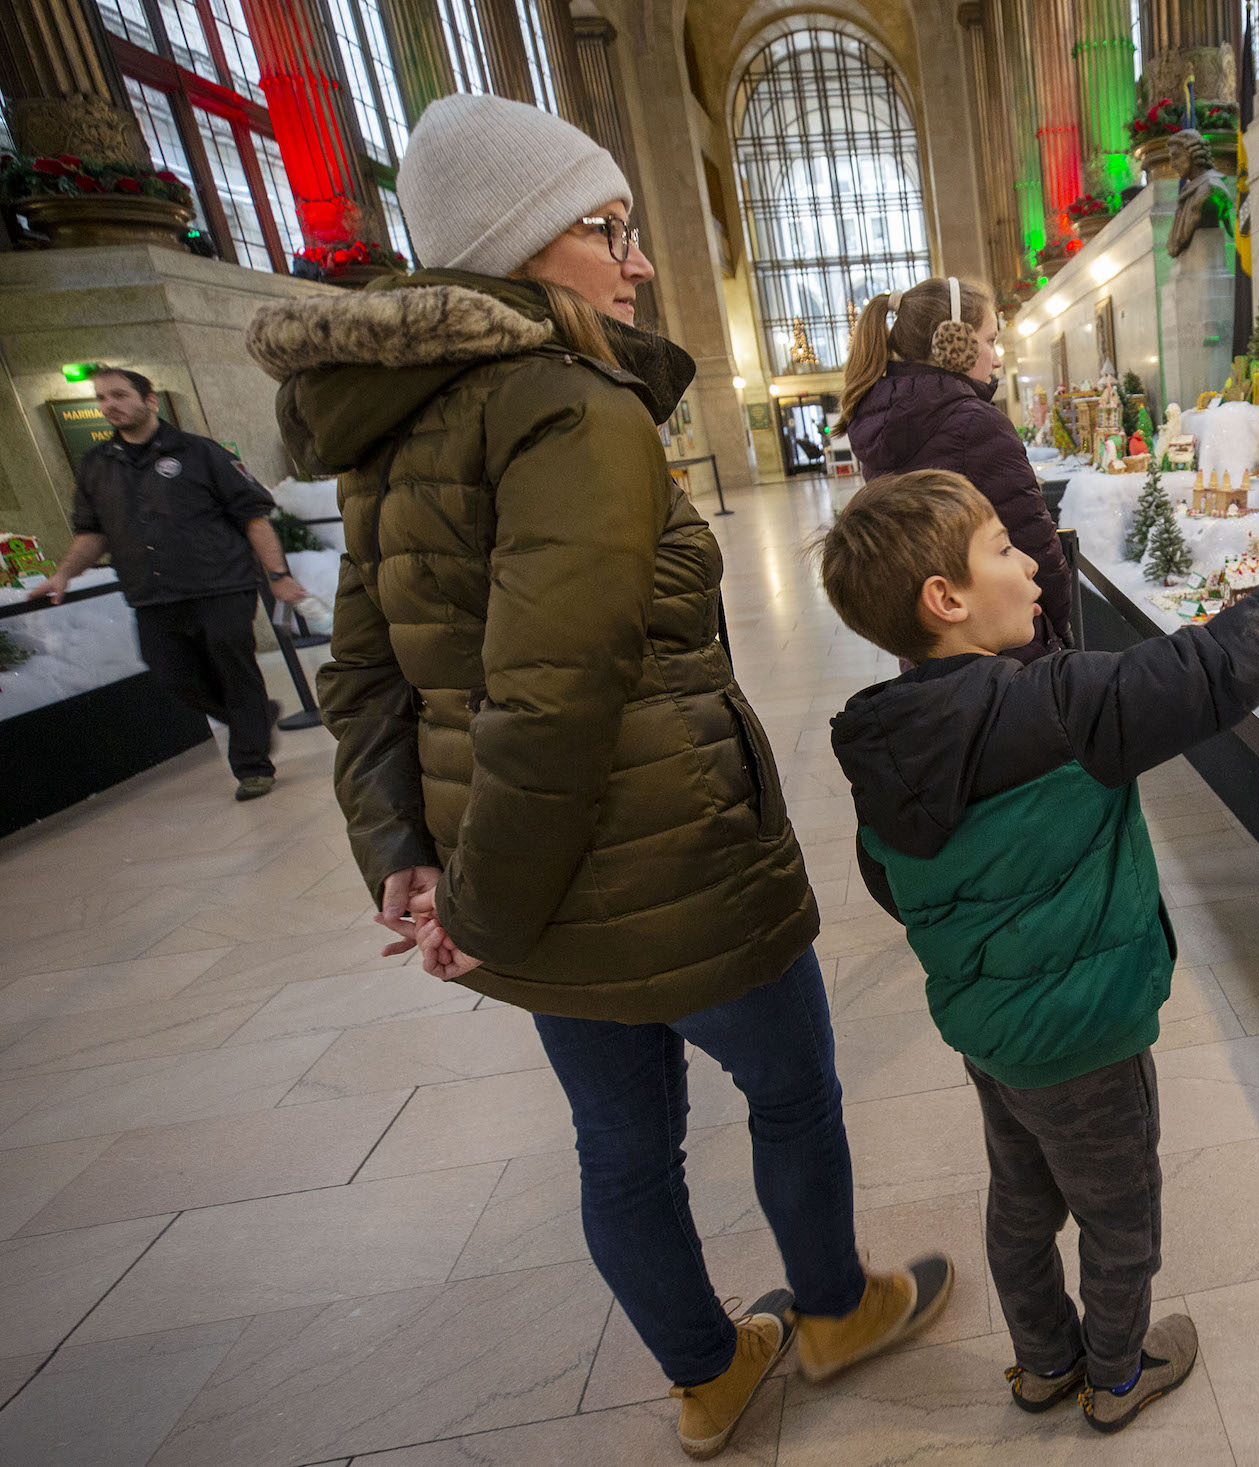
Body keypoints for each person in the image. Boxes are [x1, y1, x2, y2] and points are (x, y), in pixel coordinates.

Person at [244, 93, 949, 1462]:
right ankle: (833, 1310)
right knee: (791, 1088)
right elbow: (555, 699)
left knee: (620, 1143)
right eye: (604, 228)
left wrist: (406, 854)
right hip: (665, 861)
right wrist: (483, 916)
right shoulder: (569, 405)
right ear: (518, 246)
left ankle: (706, 1375)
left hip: (514, 872)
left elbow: (366, 675)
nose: (634, 262)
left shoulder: (391, 424)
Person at [820, 468, 1259, 1432]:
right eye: (1003, 547)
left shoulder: (883, 742)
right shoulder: (1059, 707)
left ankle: (1043, 1362)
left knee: (1021, 1198)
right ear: (944, 599)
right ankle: (1116, 1374)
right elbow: (1219, 665)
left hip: (991, 1035)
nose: (1032, 558)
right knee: (1121, 1214)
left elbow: (885, 881)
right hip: (1087, 1037)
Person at [32, 367, 306, 800]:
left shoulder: (201, 453)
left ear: (150, 400)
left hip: (220, 584)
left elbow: (253, 518)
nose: (110, 405)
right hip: (153, 594)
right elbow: (92, 533)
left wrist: (278, 576)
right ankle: (252, 719)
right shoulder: (97, 465)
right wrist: (64, 573)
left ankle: (252, 766)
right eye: (102, 398)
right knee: (173, 676)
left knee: (235, 672)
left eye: (120, 395)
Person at [841, 276, 1072, 663]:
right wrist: (1063, 623)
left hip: (930, 637)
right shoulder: (976, 423)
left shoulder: (876, 418)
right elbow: (1035, 543)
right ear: (954, 343)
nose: (997, 358)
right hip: (1001, 637)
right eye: (990, 340)